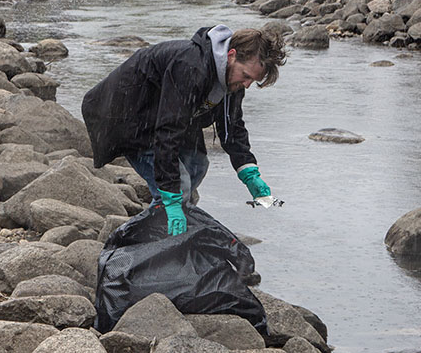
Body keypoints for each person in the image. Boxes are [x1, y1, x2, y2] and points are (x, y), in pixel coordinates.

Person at [82, 25, 287, 236]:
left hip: (164, 116)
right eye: (246, 76)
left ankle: (167, 223)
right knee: (177, 189)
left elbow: (232, 126)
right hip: (125, 116)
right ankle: (143, 237)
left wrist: (249, 172)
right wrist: (171, 196)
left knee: (198, 165)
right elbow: (168, 131)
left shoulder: (231, 79)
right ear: (232, 55)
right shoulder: (191, 67)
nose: (247, 84)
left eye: (253, 80)